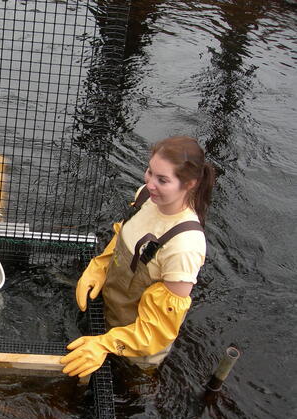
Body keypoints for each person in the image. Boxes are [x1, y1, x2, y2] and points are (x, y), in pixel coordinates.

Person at [61, 136, 215, 378]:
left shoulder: (185, 247)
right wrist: (98, 267)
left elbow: (157, 332)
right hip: (107, 316)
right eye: (150, 172)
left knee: (131, 389)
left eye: (162, 180)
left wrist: (105, 344)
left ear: (190, 184)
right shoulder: (146, 196)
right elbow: (124, 234)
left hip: (135, 353)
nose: (150, 184)